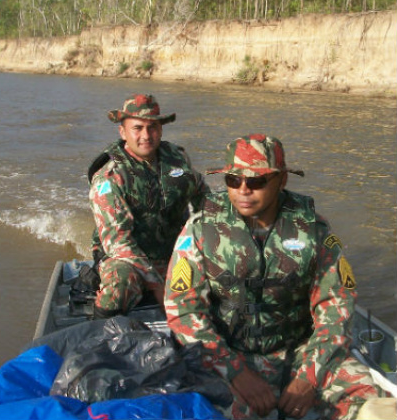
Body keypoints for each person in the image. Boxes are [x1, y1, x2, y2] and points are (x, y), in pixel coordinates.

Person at [164, 134, 384, 419]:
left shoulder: (314, 231)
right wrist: (235, 371)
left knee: (377, 408)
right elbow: (183, 309)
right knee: (195, 410)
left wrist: (310, 376)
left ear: (281, 181)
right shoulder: (200, 230)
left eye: (256, 181)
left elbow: (336, 307)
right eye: (233, 180)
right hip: (227, 355)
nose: (243, 190)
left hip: (302, 353)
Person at [86, 94, 208, 319]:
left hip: (174, 255)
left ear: (161, 130)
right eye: (137, 128)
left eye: (152, 128)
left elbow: (204, 203)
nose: (146, 136)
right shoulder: (110, 177)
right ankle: (98, 335)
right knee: (117, 291)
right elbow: (119, 244)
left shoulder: (178, 159)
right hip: (128, 260)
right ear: (123, 132)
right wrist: (159, 287)